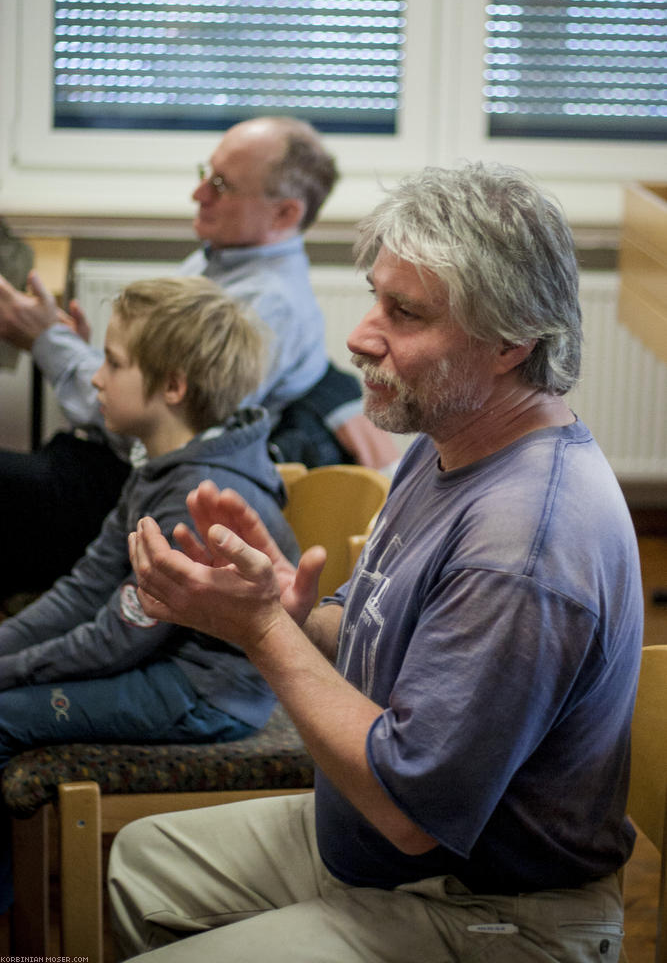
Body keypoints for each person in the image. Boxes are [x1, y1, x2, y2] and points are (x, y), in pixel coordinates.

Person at [109, 162, 643, 963]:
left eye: (405, 313)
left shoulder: (525, 543)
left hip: (492, 914)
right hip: (378, 862)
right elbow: (377, 637)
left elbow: (409, 809)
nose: (360, 334)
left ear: (510, 342)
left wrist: (260, 633)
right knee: (140, 863)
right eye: (374, 296)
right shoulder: (446, 444)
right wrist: (288, 611)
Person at [0, 115, 397, 602]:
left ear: (283, 214)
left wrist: (48, 342)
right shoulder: (221, 260)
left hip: (139, 487)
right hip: (115, 463)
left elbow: (159, 421)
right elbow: (144, 383)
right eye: (205, 173)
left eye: (222, 185)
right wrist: (78, 349)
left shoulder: (264, 305)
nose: (199, 194)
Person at [0, 275, 299, 914]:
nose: (97, 380)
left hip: (206, 695)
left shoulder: (197, 497)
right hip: (163, 667)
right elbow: (82, 591)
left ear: (172, 387)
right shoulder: (157, 465)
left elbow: (115, 638)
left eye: (112, 363)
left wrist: (5, 673)